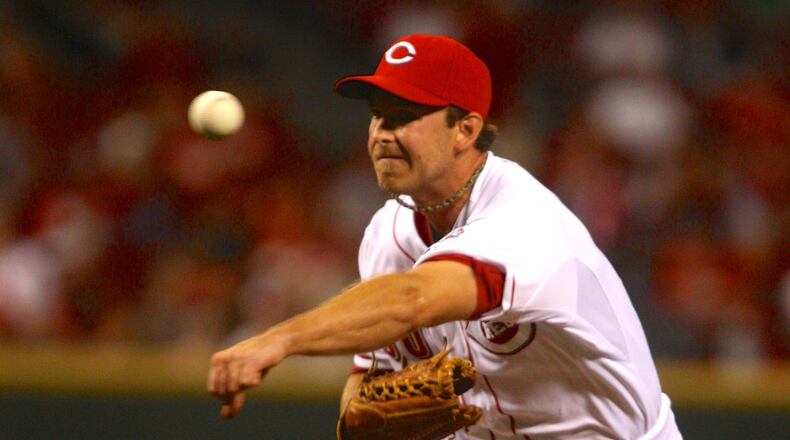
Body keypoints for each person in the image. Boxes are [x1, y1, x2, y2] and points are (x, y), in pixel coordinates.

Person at [207, 34, 682, 439]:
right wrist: (359, 417)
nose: (382, 134)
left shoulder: (525, 222)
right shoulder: (389, 232)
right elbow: (370, 379)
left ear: (465, 129)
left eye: (404, 116)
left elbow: (412, 299)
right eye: (378, 115)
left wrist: (280, 340)